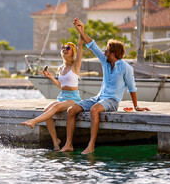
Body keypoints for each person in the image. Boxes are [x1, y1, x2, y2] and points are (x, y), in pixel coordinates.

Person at [61, 17, 150, 154]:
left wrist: (136, 106)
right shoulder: (105, 61)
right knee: (71, 110)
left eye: (107, 50)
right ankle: (68, 145)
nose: (104, 52)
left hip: (112, 101)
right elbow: (92, 45)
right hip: (100, 98)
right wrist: (81, 30)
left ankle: (91, 146)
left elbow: (132, 89)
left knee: (94, 110)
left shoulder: (126, 68)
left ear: (113, 53)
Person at [21, 35, 83, 150]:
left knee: (55, 107)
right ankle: (55, 141)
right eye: (63, 47)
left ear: (72, 52)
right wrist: (51, 77)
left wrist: (81, 33)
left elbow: (80, 46)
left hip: (73, 98)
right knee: (47, 110)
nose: (64, 49)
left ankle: (34, 121)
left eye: (68, 48)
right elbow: (61, 86)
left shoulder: (75, 66)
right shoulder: (61, 68)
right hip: (62, 96)